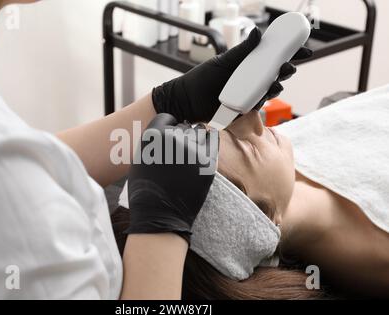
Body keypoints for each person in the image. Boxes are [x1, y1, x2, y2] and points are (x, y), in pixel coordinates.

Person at [0, 0, 310, 299]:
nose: (256, 123)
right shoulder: (2, 195)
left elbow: (22, 161)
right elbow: (3, 176)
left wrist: (165, 104)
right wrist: (161, 232)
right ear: (264, 229)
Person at [114, 92, 389, 299]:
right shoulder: (378, 253)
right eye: (246, 147)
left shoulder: (278, 155)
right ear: (268, 220)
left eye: (206, 127)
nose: (250, 116)